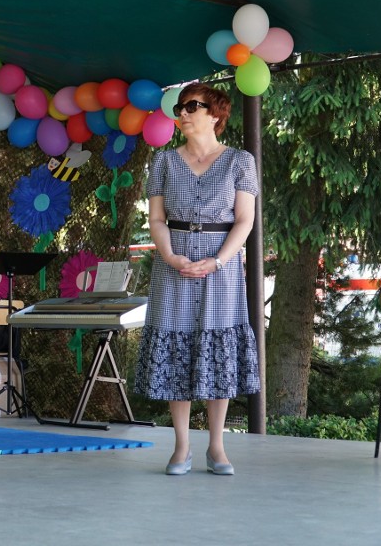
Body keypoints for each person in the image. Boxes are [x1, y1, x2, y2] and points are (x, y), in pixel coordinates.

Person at [135, 82, 260, 476]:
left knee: (216, 347)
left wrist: (219, 261)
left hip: (220, 268)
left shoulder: (241, 161)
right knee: (178, 349)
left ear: (216, 113)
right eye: (180, 107)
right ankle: (182, 447)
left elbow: (245, 220)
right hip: (173, 264)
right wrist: (171, 255)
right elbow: (156, 218)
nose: (183, 113)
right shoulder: (163, 162)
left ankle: (218, 447)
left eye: (192, 106)